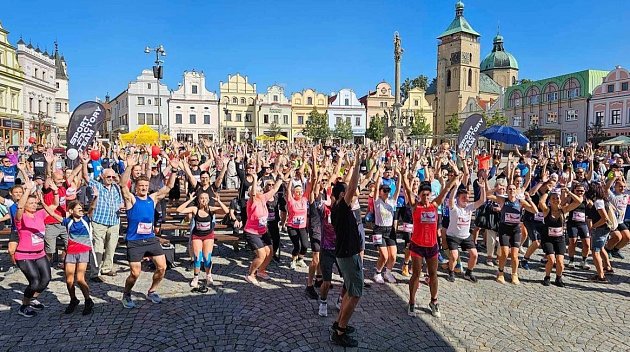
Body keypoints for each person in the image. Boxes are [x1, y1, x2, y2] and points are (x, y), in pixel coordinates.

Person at [119, 154, 179, 308]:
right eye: (141, 186)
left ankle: (152, 291)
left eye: (146, 186)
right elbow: (122, 185)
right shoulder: (131, 199)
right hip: (135, 241)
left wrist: (174, 170)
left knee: (162, 267)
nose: (144, 188)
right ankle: (126, 294)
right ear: (137, 187)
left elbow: (168, 187)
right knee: (135, 273)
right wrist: (129, 166)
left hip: (151, 239)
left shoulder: (152, 198)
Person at [402, 172, 454, 318]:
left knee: (433, 274)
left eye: (427, 194)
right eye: (423, 195)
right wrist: (403, 174)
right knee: (416, 274)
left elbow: (445, 191)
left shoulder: (435, 205)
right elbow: (407, 189)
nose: (425, 197)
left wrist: (454, 178)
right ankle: (412, 302)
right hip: (417, 245)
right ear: (419, 195)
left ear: (431, 195)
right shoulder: (415, 206)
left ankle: (434, 301)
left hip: (432, 246)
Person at [329, 150, 363, 348]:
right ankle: (340, 331)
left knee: (350, 291)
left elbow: (349, 186)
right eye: (348, 193)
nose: (354, 194)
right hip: (348, 256)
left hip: (347, 255)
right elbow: (353, 186)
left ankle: (339, 324)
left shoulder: (338, 208)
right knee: (356, 293)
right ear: (343, 195)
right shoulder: (341, 208)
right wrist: (357, 164)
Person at [41, 192, 95, 314]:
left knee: (80, 279)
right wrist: (42, 201)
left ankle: (88, 300)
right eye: (78, 208)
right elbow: (52, 213)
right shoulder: (67, 222)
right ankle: (73, 300)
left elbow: (91, 208)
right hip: (71, 252)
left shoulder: (86, 219)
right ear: (70, 211)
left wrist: (95, 197)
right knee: (69, 280)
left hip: (83, 252)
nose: (81, 209)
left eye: (81, 208)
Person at [10, 181, 51, 317]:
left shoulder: (40, 214)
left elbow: (55, 205)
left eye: (35, 203)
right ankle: (24, 306)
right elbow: (20, 207)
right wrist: (27, 190)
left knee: (45, 280)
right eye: (31, 203)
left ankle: (33, 298)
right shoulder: (20, 218)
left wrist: (55, 191)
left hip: (40, 254)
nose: (34, 205)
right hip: (24, 255)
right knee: (34, 281)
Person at [82, 155, 124, 282]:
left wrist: (121, 206)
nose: (111, 179)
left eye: (112, 177)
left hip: (114, 221)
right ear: (102, 177)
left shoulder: (117, 188)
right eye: (108, 177)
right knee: (98, 248)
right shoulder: (97, 185)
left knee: (111, 247)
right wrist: (85, 163)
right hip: (99, 221)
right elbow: (85, 177)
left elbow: (120, 200)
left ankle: (107, 268)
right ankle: (95, 272)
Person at [177, 192, 229, 287]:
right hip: (197, 236)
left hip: (208, 236)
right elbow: (179, 209)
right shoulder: (195, 209)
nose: (203, 200)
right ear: (198, 200)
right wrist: (190, 200)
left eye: (205, 198)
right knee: (197, 257)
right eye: (201, 198)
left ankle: (208, 275)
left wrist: (219, 201)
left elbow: (226, 211)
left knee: (207, 258)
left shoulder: (211, 209)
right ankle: (196, 277)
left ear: (209, 200)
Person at [243, 172, 284, 285]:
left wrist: (281, 178)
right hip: (252, 232)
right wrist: (255, 179)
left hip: (262, 231)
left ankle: (261, 270)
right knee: (261, 255)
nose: (258, 191)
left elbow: (274, 189)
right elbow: (252, 194)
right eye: (256, 190)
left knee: (270, 252)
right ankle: (250, 274)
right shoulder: (251, 202)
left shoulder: (262, 198)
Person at [444, 174, 486, 283]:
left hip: (466, 236)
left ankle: (469, 273)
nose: (466, 199)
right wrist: (456, 187)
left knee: (474, 254)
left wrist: (482, 187)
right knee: (454, 255)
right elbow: (450, 200)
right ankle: (451, 272)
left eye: (467, 197)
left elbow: (482, 201)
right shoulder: (454, 208)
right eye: (463, 197)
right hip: (453, 236)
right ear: (458, 198)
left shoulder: (469, 207)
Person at [495, 184, 538, 284]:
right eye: (510, 189)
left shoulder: (520, 202)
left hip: (515, 229)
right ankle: (500, 272)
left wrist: (529, 199)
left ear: (516, 191)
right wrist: (494, 189)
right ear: (507, 190)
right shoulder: (503, 200)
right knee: (505, 253)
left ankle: (514, 274)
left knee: (515, 255)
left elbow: (535, 210)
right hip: (504, 229)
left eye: (514, 189)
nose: (512, 191)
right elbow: (488, 196)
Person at [372, 168, 402, 284]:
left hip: (390, 230)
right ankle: (378, 272)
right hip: (379, 229)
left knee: (393, 256)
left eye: (388, 191)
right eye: (384, 190)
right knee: (384, 256)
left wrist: (399, 175)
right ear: (380, 191)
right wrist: (379, 175)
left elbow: (398, 189)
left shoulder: (392, 201)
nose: (387, 192)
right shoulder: (377, 201)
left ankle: (388, 272)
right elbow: (375, 188)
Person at [538, 190, 567, 287]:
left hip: (560, 239)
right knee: (551, 259)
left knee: (560, 261)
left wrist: (568, 192)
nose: (555, 200)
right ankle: (547, 277)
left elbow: (578, 202)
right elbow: (541, 202)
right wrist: (547, 191)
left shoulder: (563, 210)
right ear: (550, 200)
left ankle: (558, 278)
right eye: (553, 198)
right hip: (548, 239)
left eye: (557, 198)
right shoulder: (547, 210)